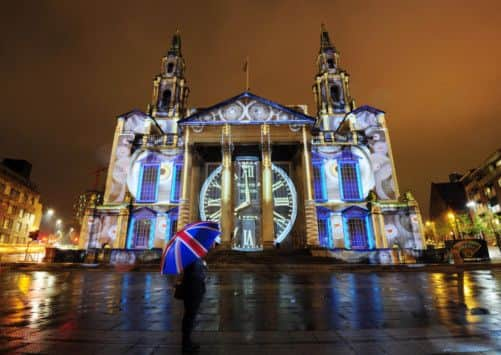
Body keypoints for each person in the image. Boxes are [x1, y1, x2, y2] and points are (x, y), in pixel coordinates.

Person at [181, 258, 207, 352]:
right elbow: (197, 275)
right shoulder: (192, 259)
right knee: (189, 317)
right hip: (193, 291)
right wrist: (203, 270)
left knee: (190, 317)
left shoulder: (194, 259)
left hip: (194, 290)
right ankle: (186, 344)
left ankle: (187, 341)